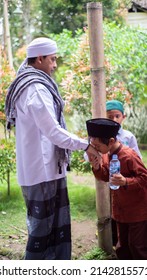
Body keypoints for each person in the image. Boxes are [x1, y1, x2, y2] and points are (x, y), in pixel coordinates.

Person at [5, 37, 99, 260]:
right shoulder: (36, 88)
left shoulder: (27, 82)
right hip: (42, 171)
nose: (55, 65)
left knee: (55, 231)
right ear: (39, 59)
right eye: (53, 59)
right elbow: (53, 131)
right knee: (41, 234)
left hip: (45, 169)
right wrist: (86, 145)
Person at [86, 118, 147, 260]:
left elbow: (144, 178)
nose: (95, 149)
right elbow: (106, 176)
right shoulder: (107, 155)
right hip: (120, 210)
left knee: (137, 246)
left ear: (111, 141)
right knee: (122, 246)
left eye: (97, 146)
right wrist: (97, 167)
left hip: (137, 211)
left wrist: (126, 181)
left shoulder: (129, 155)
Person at [106, 99, 142, 246]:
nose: (114, 120)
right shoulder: (102, 135)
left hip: (128, 181)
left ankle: (129, 241)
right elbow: (90, 153)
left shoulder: (128, 136)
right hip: (110, 181)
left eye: (117, 116)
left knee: (127, 208)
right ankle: (115, 241)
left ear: (123, 117)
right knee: (113, 209)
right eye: (110, 117)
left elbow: (137, 157)